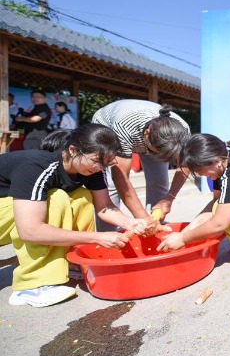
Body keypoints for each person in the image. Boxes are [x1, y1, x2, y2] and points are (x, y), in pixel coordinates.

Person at [0, 124, 164, 307]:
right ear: (72, 150)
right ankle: (31, 285)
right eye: (96, 160)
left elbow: (104, 207)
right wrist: (96, 237)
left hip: (12, 210)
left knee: (82, 197)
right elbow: (29, 230)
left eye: (106, 163)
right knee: (57, 198)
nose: (100, 167)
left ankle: (70, 262)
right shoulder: (37, 167)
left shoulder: (91, 168)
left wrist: (131, 223)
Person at [157, 133, 230, 273]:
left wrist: (183, 239)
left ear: (215, 161)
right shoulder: (225, 162)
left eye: (200, 170)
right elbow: (215, 202)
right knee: (220, 208)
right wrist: (188, 230)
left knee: (229, 216)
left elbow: (219, 224)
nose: (201, 174)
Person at [91, 99, 190, 230]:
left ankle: (155, 227)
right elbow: (121, 178)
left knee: (160, 183)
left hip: (148, 138)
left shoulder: (182, 131)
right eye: (156, 152)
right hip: (109, 127)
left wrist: (168, 199)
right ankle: (108, 234)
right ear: (147, 134)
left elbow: (185, 165)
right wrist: (142, 218)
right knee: (110, 187)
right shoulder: (125, 126)